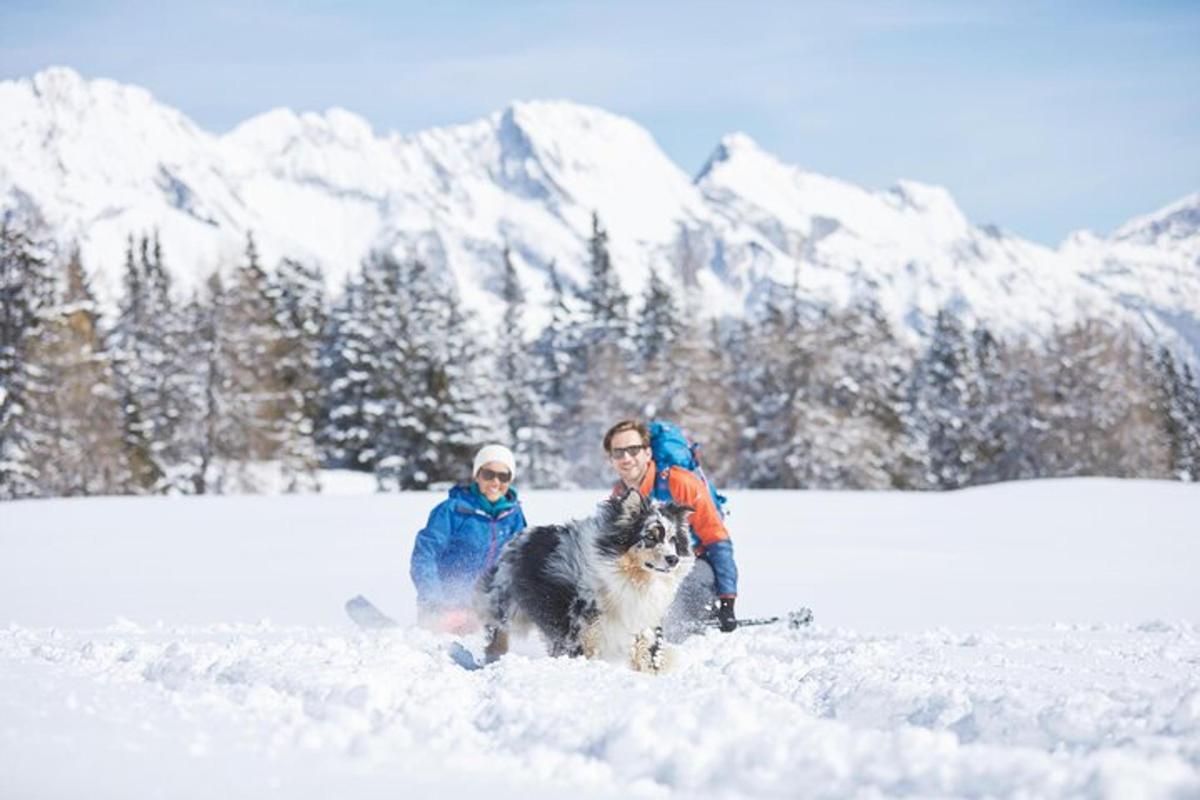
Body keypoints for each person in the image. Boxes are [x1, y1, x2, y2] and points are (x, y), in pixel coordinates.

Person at [603, 419, 739, 636]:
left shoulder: (679, 482)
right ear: (611, 459)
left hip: (693, 564)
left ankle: (681, 631)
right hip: (650, 568)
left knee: (681, 599)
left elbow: (716, 537)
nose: (626, 458)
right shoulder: (620, 496)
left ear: (648, 453)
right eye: (618, 453)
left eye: (633, 450)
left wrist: (727, 601)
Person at [410, 444, 527, 634]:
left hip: (484, 611)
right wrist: (434, 601)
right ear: (477, 475)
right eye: (488, 474)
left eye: (503, 476)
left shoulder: (513, 517)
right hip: (443, 607)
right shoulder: (452, 510)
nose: (495, 482)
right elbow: (424, 556)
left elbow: (519, 564)